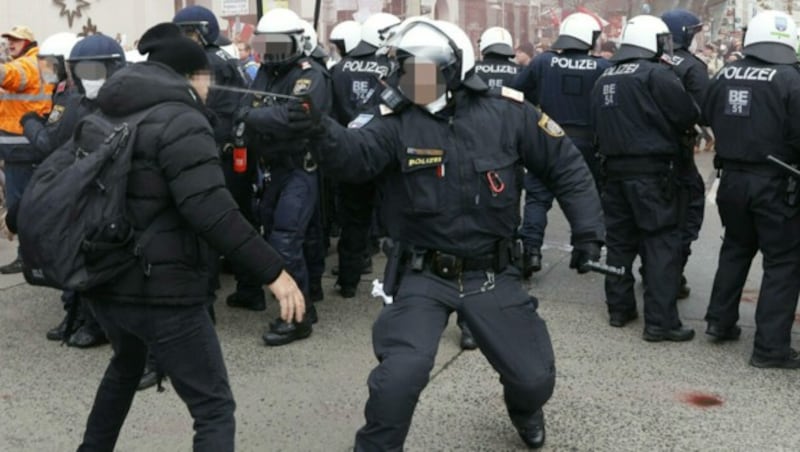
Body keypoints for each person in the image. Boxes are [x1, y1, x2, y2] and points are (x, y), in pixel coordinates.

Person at [291, 19, 604, 450]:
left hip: (492, 272)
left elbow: (566, 166)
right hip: (422, 275)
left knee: (534, 379)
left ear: (454, 68)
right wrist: (319, 129)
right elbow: (354, 157)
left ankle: (524, 407)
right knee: (397, 380)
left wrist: (588, 233)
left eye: (420, 70)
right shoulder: (395, 122)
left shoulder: (509, 113)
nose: (408, 81)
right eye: (404, 70)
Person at [76, 23, 305, 451]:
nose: (211, 86)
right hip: (164, 291)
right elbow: (211, 209)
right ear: (192, 76)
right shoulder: (182, 119)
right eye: (207, 78)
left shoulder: (106, 110)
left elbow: (64, 176)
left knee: (124, 369)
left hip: (106, 283)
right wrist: (275, 272)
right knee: (213, 408)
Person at [591, 15, 698, 341]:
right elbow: (687, 115)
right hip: (653, 175)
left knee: (620, 243)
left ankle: (619, 309)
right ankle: (661, 323)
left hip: (614, 173)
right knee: (661, 243)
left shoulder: (604, 76)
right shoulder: (656, 74)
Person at [703, 11, 800, 368]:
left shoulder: (725, 73)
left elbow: (707, 115)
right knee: (783, 262)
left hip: (732, 180)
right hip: (776, 181)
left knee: (736, 248)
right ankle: (770, 349)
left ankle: (719, 320)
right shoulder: (791, 78)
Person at [235, 7, 332, 346]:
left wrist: (254, 116)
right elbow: (254, 108)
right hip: (273, 169)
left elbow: (297, 115)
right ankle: (306, 297)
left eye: (279, 45)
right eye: (267, 45)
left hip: (299, 168)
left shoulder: (311, 74)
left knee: (285, 241)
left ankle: (297, 319)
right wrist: (255, 116)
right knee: (282, 234)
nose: (271, 52)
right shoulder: (266, 73)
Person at [23, 34, 126, 348]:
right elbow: (58, 147)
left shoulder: (125, 101)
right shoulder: (73, 102)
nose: (89, 80)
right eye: (83, 72)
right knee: (77, 253)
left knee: (100, 256)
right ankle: (77, 315)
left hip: (110, 190)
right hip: (77, 187)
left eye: (95, 72)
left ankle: (97, 323)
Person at [511, 12, 611, 277]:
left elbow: (516, 92)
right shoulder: (602, 67)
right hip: (588, 143)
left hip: (548, 137)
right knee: (586, 197)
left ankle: (531, 251)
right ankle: (584, 252)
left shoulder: (543, 62)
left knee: (537, 198)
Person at [329, 12, 399, 300]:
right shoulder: (394, 68)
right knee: (397, 220)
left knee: (353, 220)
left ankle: (348, 282)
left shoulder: (339, 68)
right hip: (386, 152)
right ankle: (397, 283)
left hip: (350, 150)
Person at [661, 9, 711, 299]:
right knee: (687, 214)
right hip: (679, 155)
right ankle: (672, 275)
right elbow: (706, 113)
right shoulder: (692, 66)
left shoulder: (649, 61)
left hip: (645, 152)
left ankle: (652, 270)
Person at [0, 25, 52, 275]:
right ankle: (40, 255)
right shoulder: (44, 63)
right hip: (31, 145)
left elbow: (10, 75)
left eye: (16, 40)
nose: (10, 44)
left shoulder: (28, 64)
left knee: (21, 206)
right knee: (35, 204)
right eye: (8, 40)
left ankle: (29, 258)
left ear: (28, 42)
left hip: (20, 149)